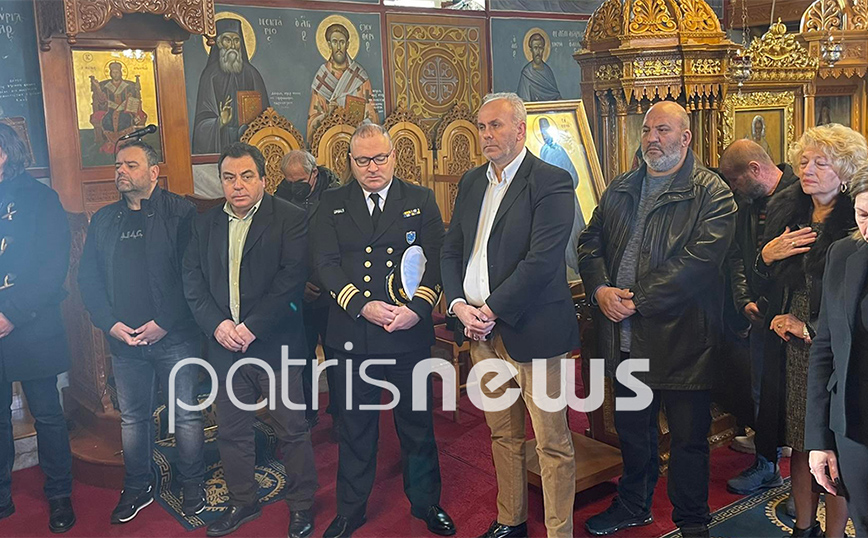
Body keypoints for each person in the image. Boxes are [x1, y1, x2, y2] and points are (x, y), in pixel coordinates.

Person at [578, 101, 737, 538]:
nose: (651, 138)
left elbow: (700, 261)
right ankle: (634, 505)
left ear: (685, 138)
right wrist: (600, 289)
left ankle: (692, 522)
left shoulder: (712, 193)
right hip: (625, 339)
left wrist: (638, 299)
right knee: (633, 432)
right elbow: (590, 241)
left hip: (684, 341)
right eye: (647, 130)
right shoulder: (622, 186)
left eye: (662, 130)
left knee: (688, 441)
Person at [441, 92, 578, 538]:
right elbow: (451, 249)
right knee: (503, 435)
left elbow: (541, 262)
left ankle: (558, 532)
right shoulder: (471, 182)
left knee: (552, 442)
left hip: (533, 330)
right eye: (481, 127)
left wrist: (491, 309)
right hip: (480, 332)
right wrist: (459, 305)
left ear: (520, 129)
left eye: (495, 125)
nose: (486, 135)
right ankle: (510, 520)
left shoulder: (551, 181)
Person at [313, 121, 454, 538]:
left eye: (379, 158)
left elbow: (437, 258)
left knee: (416, 424)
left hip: (407, 332)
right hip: (353, 332)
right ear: (350, 161)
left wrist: (418, 309)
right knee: (355, 427)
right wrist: (362, 305)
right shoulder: (332, 202)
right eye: (362, 160)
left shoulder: (419, 198)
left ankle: (427, 503)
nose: (372, 167)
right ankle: (350, 510)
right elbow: (325, 263)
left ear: (394, 156)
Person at [183, 143, 317, 538]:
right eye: (229, 178)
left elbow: (291, 280)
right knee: (232, 431)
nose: (237, 185)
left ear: (262, 179)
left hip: (274, 345)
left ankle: (302, 505)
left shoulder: (289, 217)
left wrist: (252, 326)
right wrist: (217, 325)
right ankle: (243, 501)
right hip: (225, 347)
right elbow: (192, 280)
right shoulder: (204, 223)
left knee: (292, 429)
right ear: (221, 181)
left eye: (246, 176)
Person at [78, 139, 206, 524]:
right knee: (134, 419)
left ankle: (193, 484)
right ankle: (138, 485)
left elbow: (192, 275)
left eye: (130, 165)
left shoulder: (181, 213)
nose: (121, 171)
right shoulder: (104, 219)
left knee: (186, 415)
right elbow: (88, 278)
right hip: (125, 341)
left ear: (153, 172)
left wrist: (164, 322)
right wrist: (109, 323)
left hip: (175, 336)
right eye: (118, 165)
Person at [752, 124, 867, 537]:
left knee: (833, 446)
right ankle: (804, 527)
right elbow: (762, 283)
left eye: (821, 162)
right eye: (804, 161)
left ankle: (834, 532)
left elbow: (856, 303)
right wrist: (765, 256)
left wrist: (812, 327)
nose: (808, 170)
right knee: (799, 443)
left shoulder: (857, 219)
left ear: (847, 170)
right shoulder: (787, 209)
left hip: (831, 342)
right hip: (786, 342)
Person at [0, 123, 75, 533]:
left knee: (47, 414)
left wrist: (12, 312)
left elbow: (52, 267)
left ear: (5, 153)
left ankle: (60, 493)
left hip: (31, 323)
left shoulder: (42, 199)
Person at [718, 140, 799, 493]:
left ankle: (806, 482)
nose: (732, 188)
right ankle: (767, 464)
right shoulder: (746, 205)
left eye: (734, 180)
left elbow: (798, 264)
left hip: (794, 315)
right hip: (760, 315)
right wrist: (744, 300)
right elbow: (737, 255)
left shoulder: (799, 196)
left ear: (754, 169)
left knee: (798, 398)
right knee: (761, 392)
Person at [806, 163, 868, 538]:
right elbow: (824, 351)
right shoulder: (843, 254)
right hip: (855, 429)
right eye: (863, 215)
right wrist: (819, 442)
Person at [274, 150, 341, 432]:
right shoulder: (279, 199)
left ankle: (340, 416)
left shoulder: (336, 196)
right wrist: (298, 284)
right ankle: (307, 413)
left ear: (314, 173)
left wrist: (327, 282)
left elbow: (342, 246)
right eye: (289, 181)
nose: (294, 186)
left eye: (299, 181)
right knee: (301, 359)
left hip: (332, 294)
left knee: (337, 359)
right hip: (297, 295)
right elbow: (276, 249)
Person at [192, 18, 269, 154]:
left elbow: (266, 116)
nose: (232, 45)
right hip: (222, 142)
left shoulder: (252, 74)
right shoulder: (210, 75)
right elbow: (201, 125)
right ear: (219, 43)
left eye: (236, 40)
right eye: (227, 40)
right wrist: (220, 121)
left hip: (249, 141)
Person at [307, 23, 378, 143]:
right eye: (335, 42)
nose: (339, 47)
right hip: (330, 142)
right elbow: (312, 121)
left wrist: (357, 122)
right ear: (329, 44)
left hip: (357, 140)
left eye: (342, 42)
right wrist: (327, 114)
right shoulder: (321, 78)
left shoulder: (359, 76)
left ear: (347, 45)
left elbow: (372, 116)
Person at [536, 116, 585, 278]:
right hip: (554, 204)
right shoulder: (544, 151)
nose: (545, 135)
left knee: (575, 233)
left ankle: (579, 268)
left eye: (546, 130)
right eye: (542, 132)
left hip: (569, 201)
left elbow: (573, 175)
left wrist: (563, 187)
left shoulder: (559, 150)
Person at [516, 33, 561, 102]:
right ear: (531, 50)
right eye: (535, 48)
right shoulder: (527, 73)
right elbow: (523, 99)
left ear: (543, 50)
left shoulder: (548, 71)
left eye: (540, 48)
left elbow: (555, 95)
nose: (538, 52)